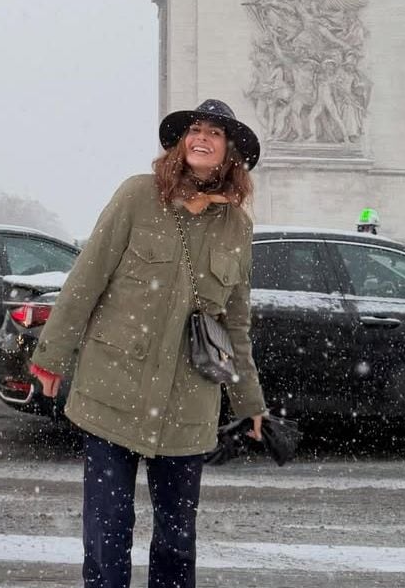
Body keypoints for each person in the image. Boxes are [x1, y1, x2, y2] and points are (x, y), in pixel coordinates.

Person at [29, 99, 266, 588]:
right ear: (180, 143)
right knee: (107, 534)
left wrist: (249, 401)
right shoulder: (138, 196)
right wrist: (51, 356)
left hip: (189, 403)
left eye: (215, 134)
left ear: (231, 153)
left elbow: (235, 323)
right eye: (194, 130)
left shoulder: (238, 227)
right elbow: (86, 278)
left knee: (178, 542)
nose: (201, 138)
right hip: (112, 391)